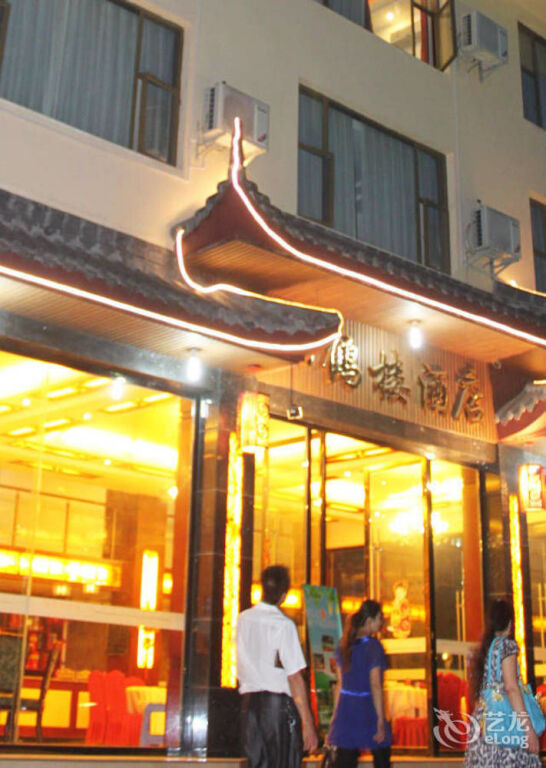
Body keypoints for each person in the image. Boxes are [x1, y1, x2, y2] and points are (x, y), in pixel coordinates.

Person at [236, 565, 318, 768]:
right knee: (283, 762)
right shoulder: (283, 624)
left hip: (249, 704)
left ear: (262, 588)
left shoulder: (242, 619)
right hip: (277, 706)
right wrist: (308, 722)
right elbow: (294, 676)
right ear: (283, 595)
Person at [465, 598, 540, 767]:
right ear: (510, 623)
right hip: (506, 729)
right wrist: (528, 729)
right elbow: (511, 688)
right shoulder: (507, 647)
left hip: (486, 727)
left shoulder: (484, 649)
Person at [328, 599, 391, 768]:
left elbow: (340, 684)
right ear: (370, 620)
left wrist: (335, 715)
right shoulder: (374, 647)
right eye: (379, 618)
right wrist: (380, 718)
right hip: (367, 706)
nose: (381, 623)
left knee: (345, 760)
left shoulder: (344, 646)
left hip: (347, 708)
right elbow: (375, 684)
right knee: (381, 756)